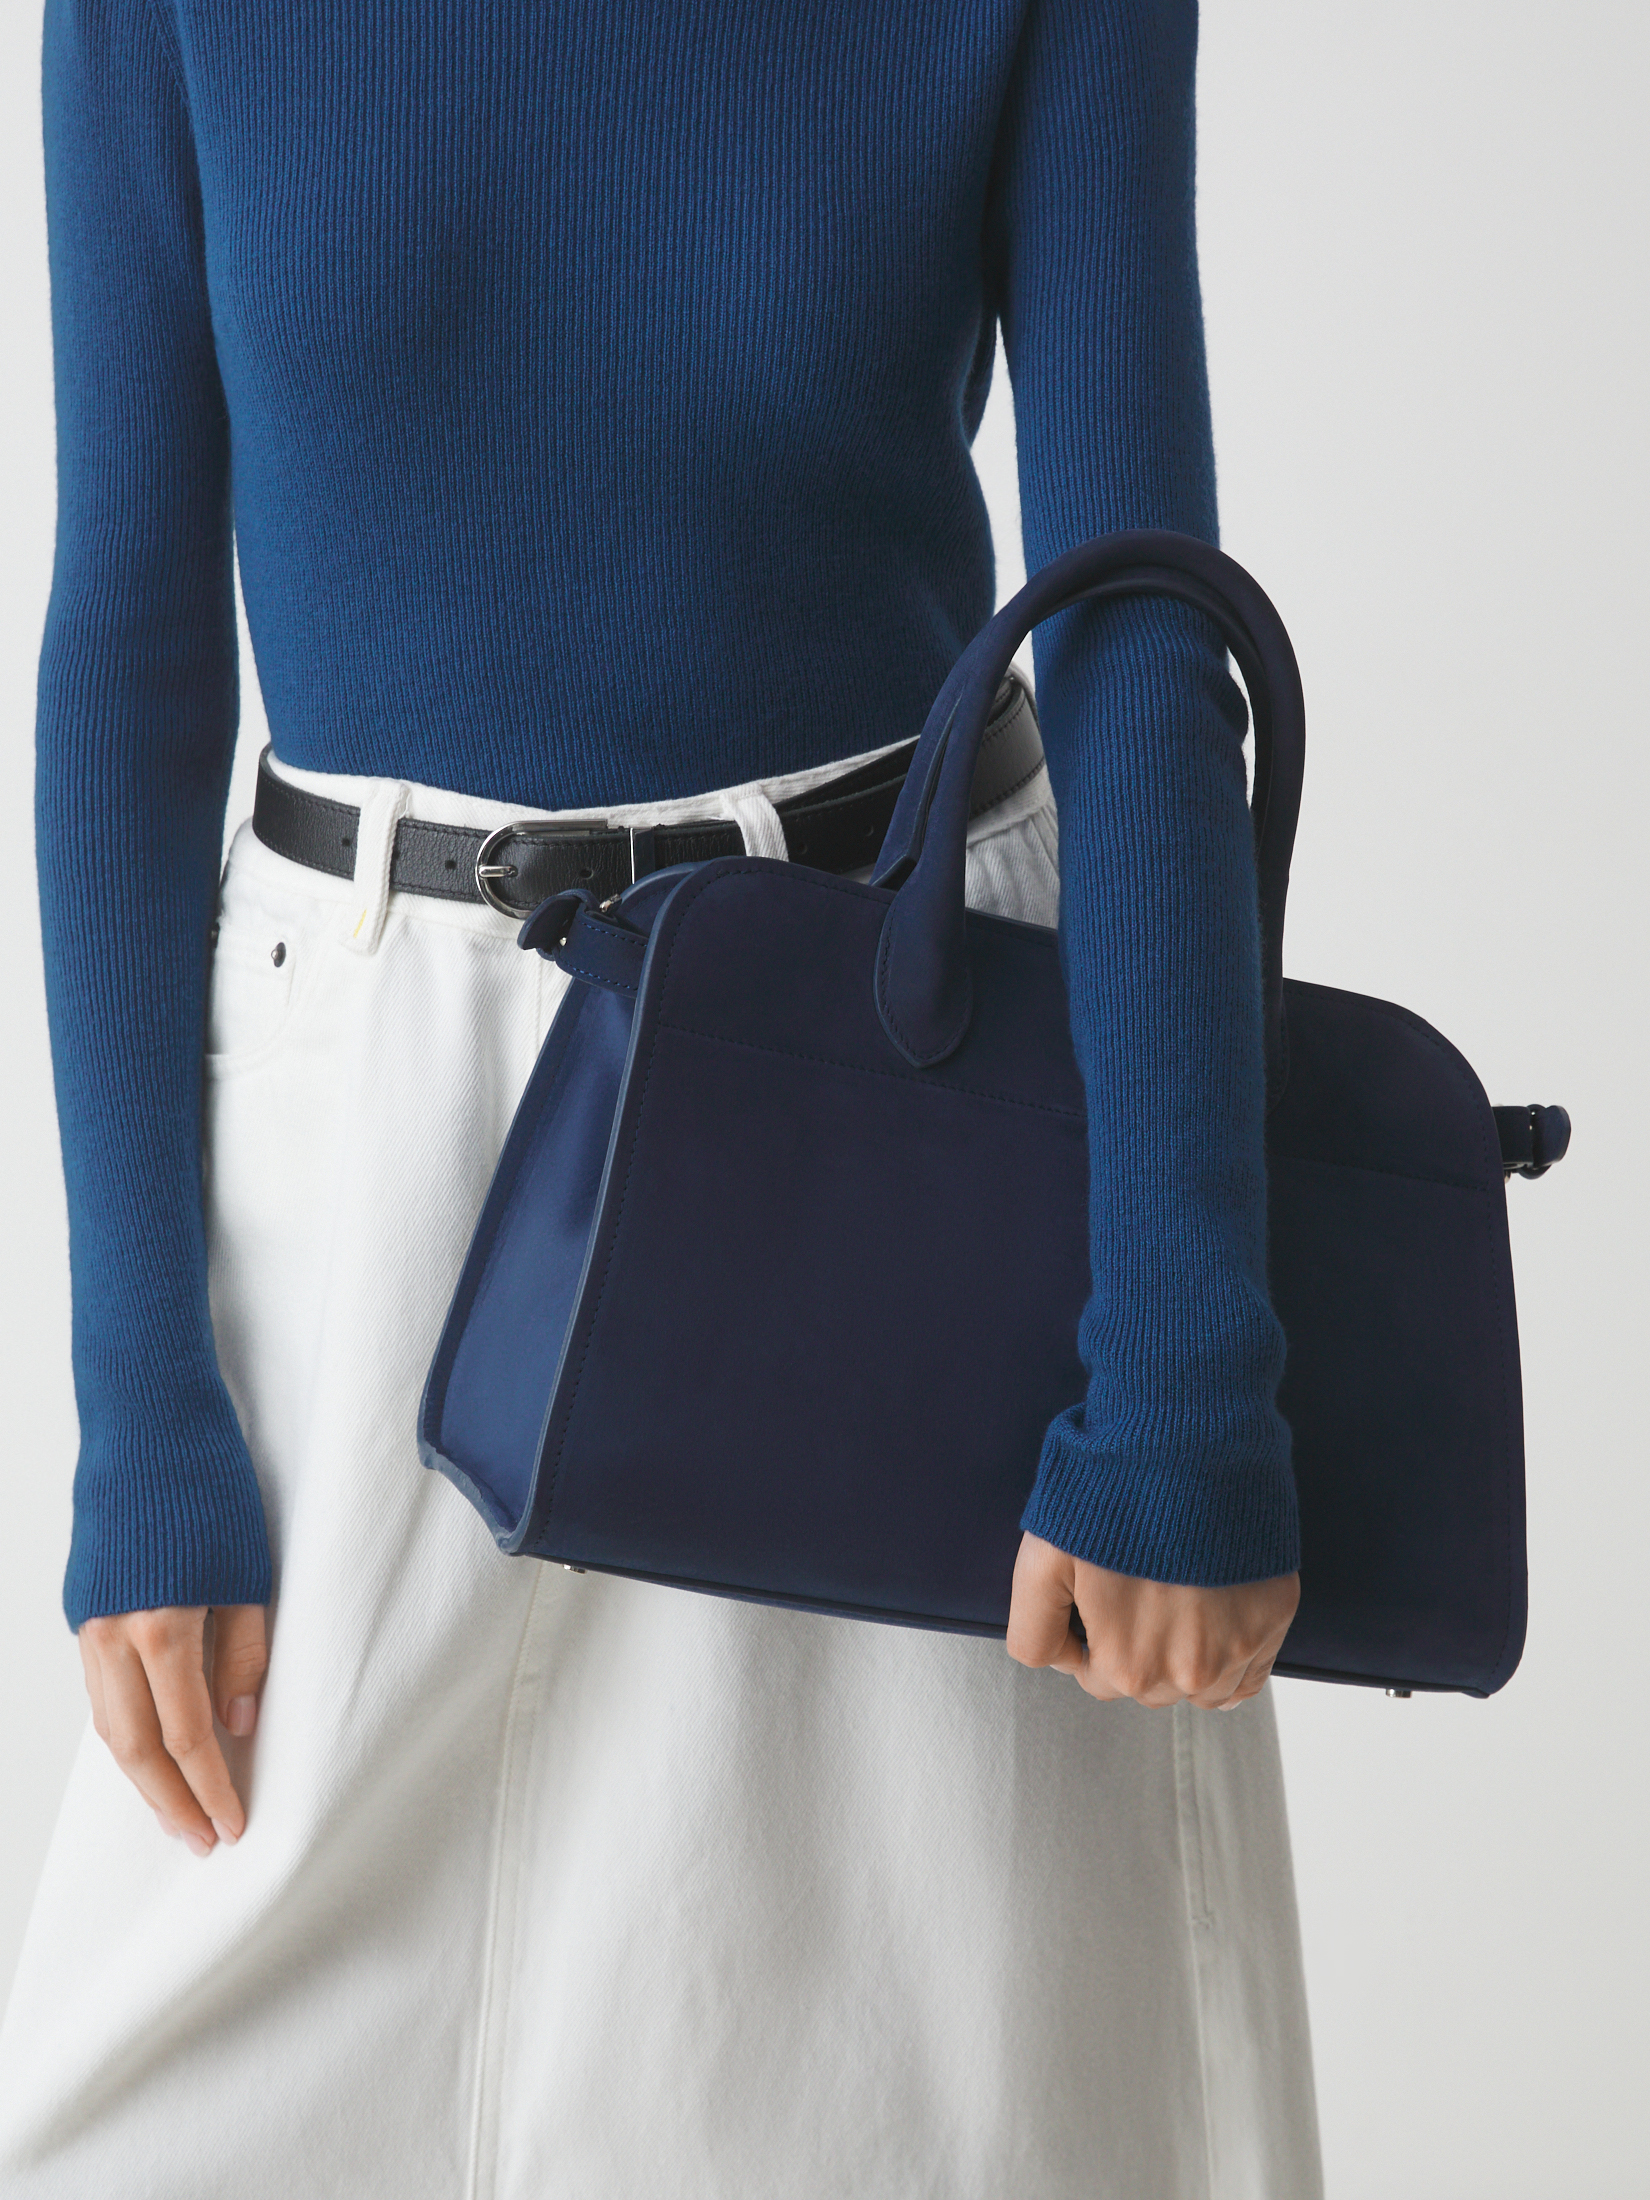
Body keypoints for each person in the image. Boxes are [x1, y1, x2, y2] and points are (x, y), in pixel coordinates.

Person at [0, 0, 1322, 2192]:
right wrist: (139, 1406)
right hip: (364, 1132)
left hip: (890, 1101)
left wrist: (1187, 1360)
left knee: (939, 2118)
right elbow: (128, 649)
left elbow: (1136, 635)